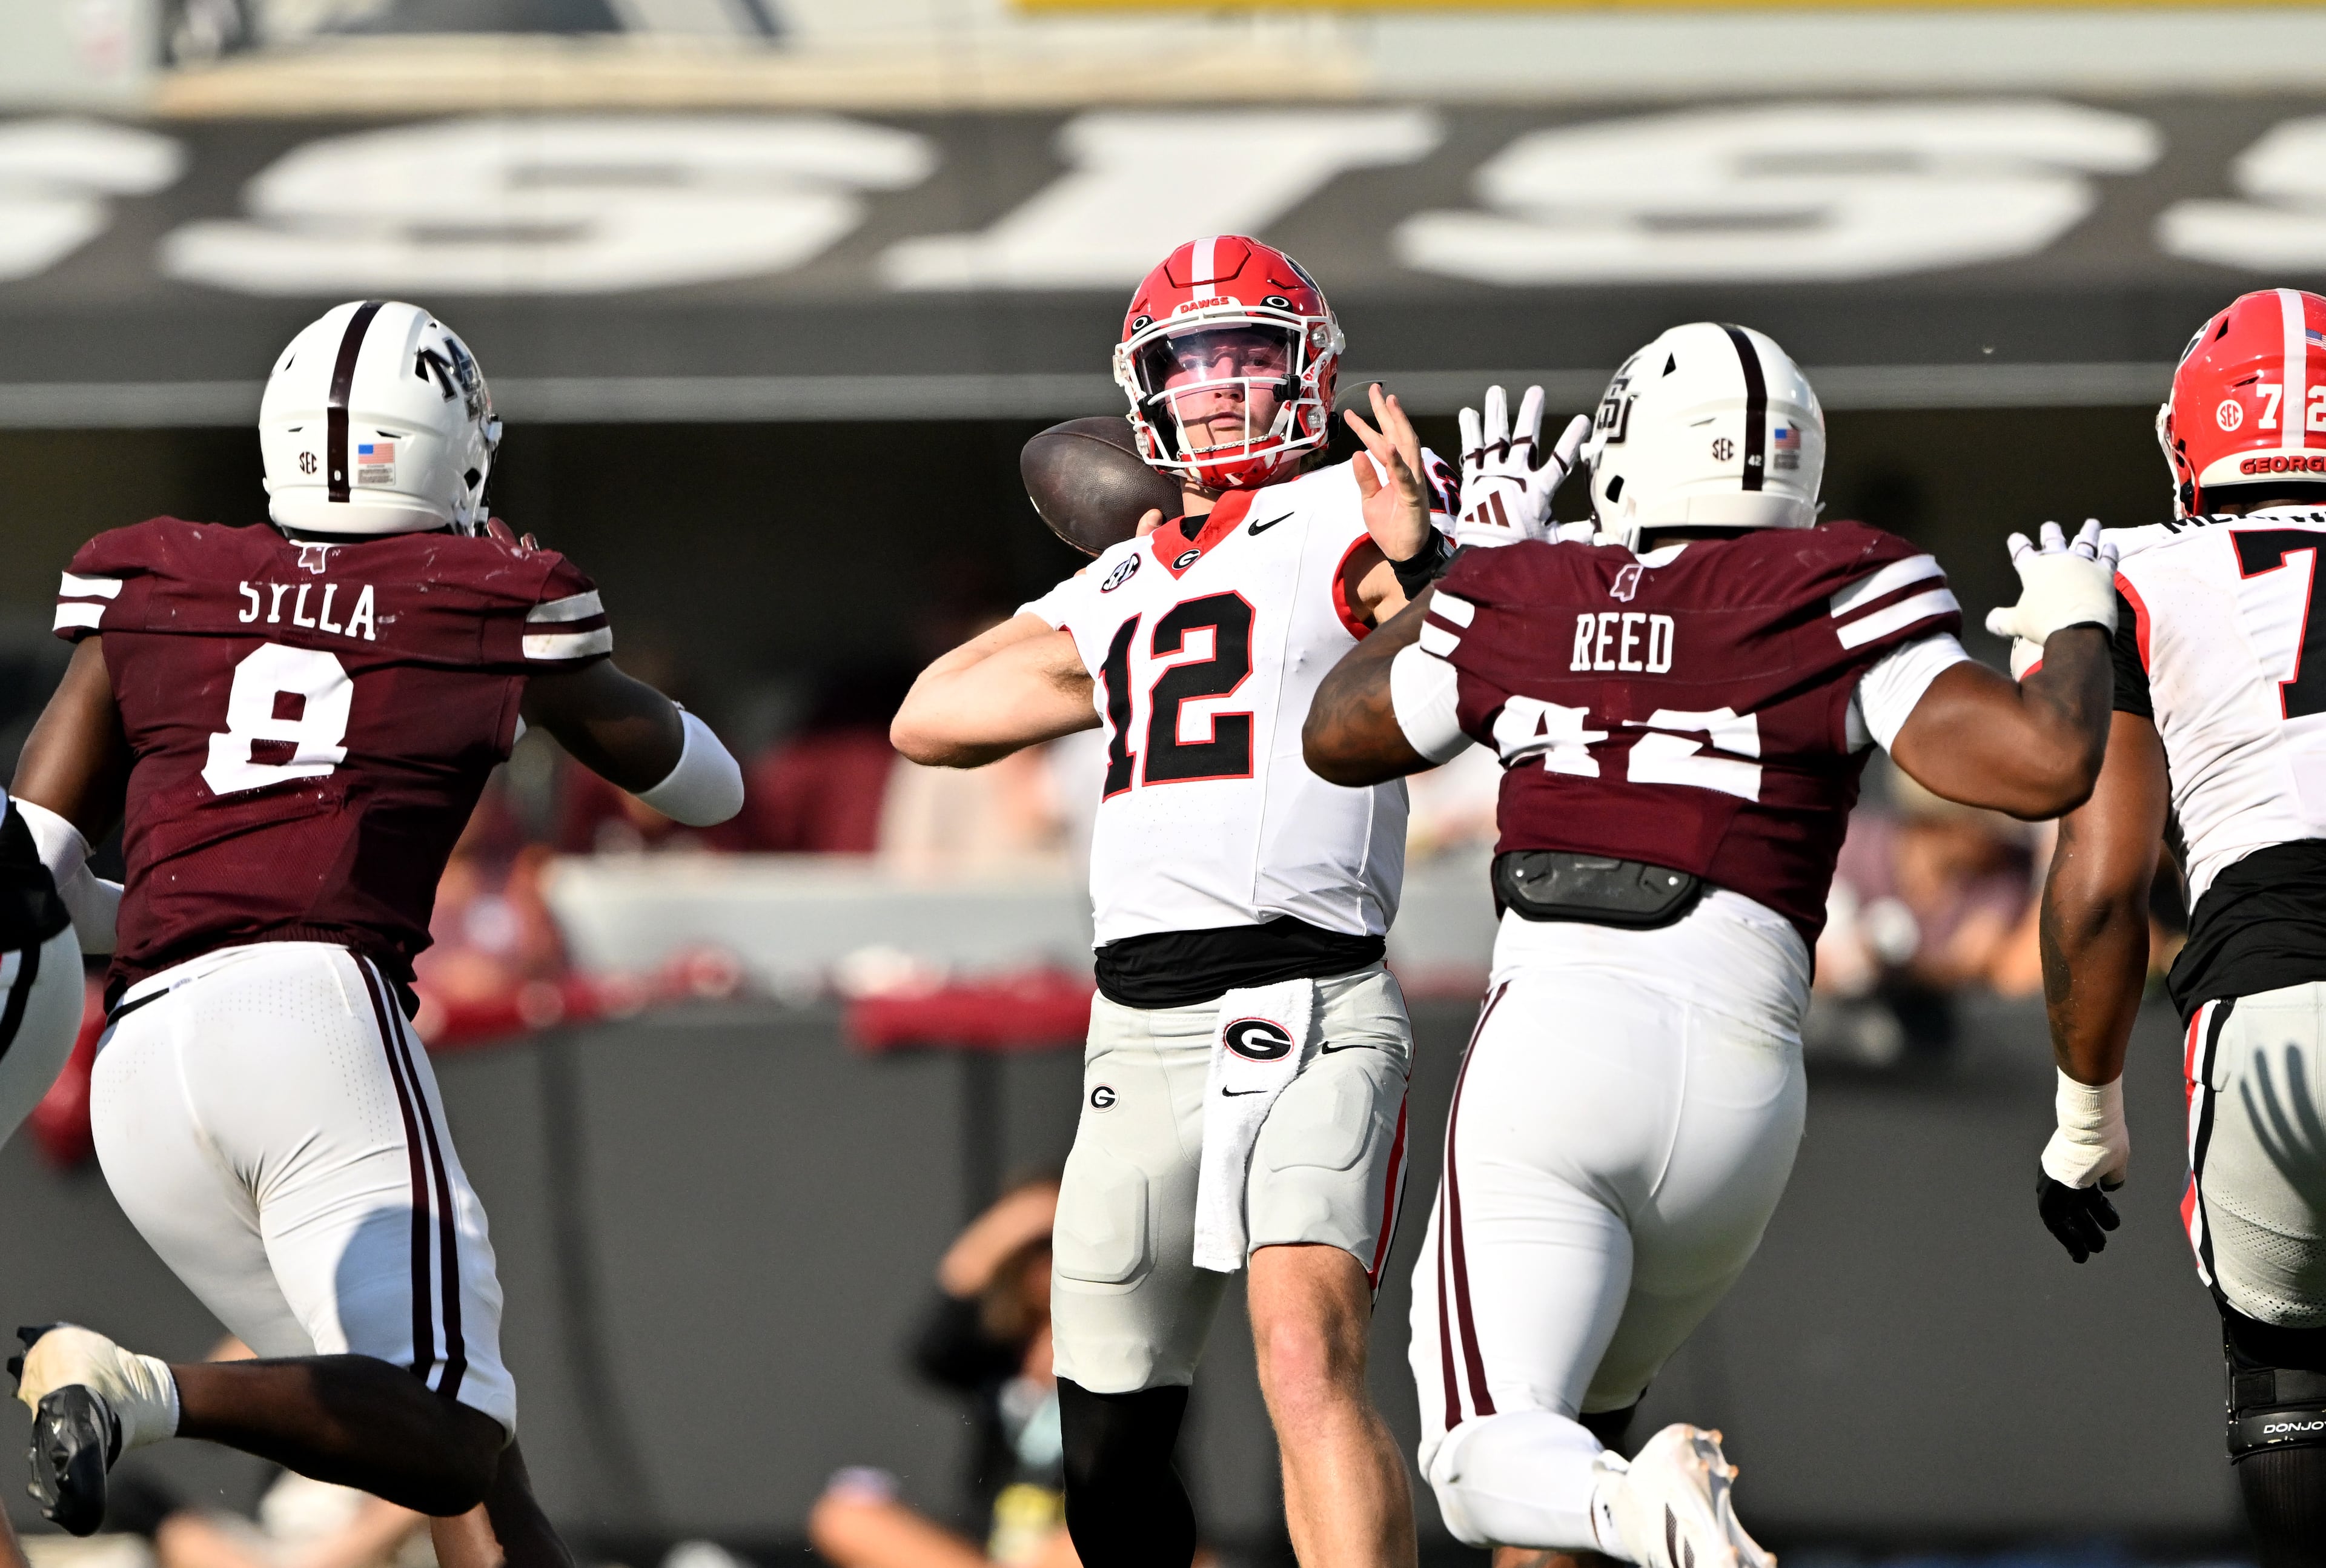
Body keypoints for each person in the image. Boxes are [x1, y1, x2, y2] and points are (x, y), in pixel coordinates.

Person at [1298, 325, 2119, 1568]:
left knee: (1483, 1459)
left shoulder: (1527, 587)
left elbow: (1340, 730)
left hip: (1560, 1045)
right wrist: (2076, 632)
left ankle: (1647, 1504)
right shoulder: (1842, 581)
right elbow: (2044, 764)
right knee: (1564, 1461)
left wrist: (1462, 577)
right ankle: (1630, 1503)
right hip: (1742, 1091)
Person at [5, 300, 746, 1567]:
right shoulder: (490, 595)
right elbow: (707, 786)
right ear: (452, 446)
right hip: (312, 1019)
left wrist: (193, 918)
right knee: (448, 1421)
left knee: (441, 1440)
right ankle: (139, 1388)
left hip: (139, 1056)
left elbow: (38, 865)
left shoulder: (159, 573)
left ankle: (148, 1385)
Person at [891, 234, 1509, 1568]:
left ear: (1312, 371)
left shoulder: (1368, 499)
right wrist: (1122, 587)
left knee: (1303, 1351)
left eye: (1248, 357)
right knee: (1109, 1467)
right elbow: (929, 719)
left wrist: (1432, 565)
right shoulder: (1126, 575)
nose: (1221, 387)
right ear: (1146, 388)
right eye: (1191, 361)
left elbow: (1486, 667)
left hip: (1315, 995)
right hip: (1139, 1028)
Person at [2030, 287, 2326, 1568]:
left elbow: (2101, 887)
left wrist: (2086, 1120)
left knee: (2289, 1383)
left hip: (2274, 987)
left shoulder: (2138, 577)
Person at [810, 1177, 1076, 1568]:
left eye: (1058, 1245)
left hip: (1084, 1543)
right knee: (847, 1514)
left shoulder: (1133, 1345)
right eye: (1036, 1249)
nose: (1046, 1264)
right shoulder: (995, 1351)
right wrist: (1010, 1225)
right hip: (986, 1548)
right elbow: (930, 1350)